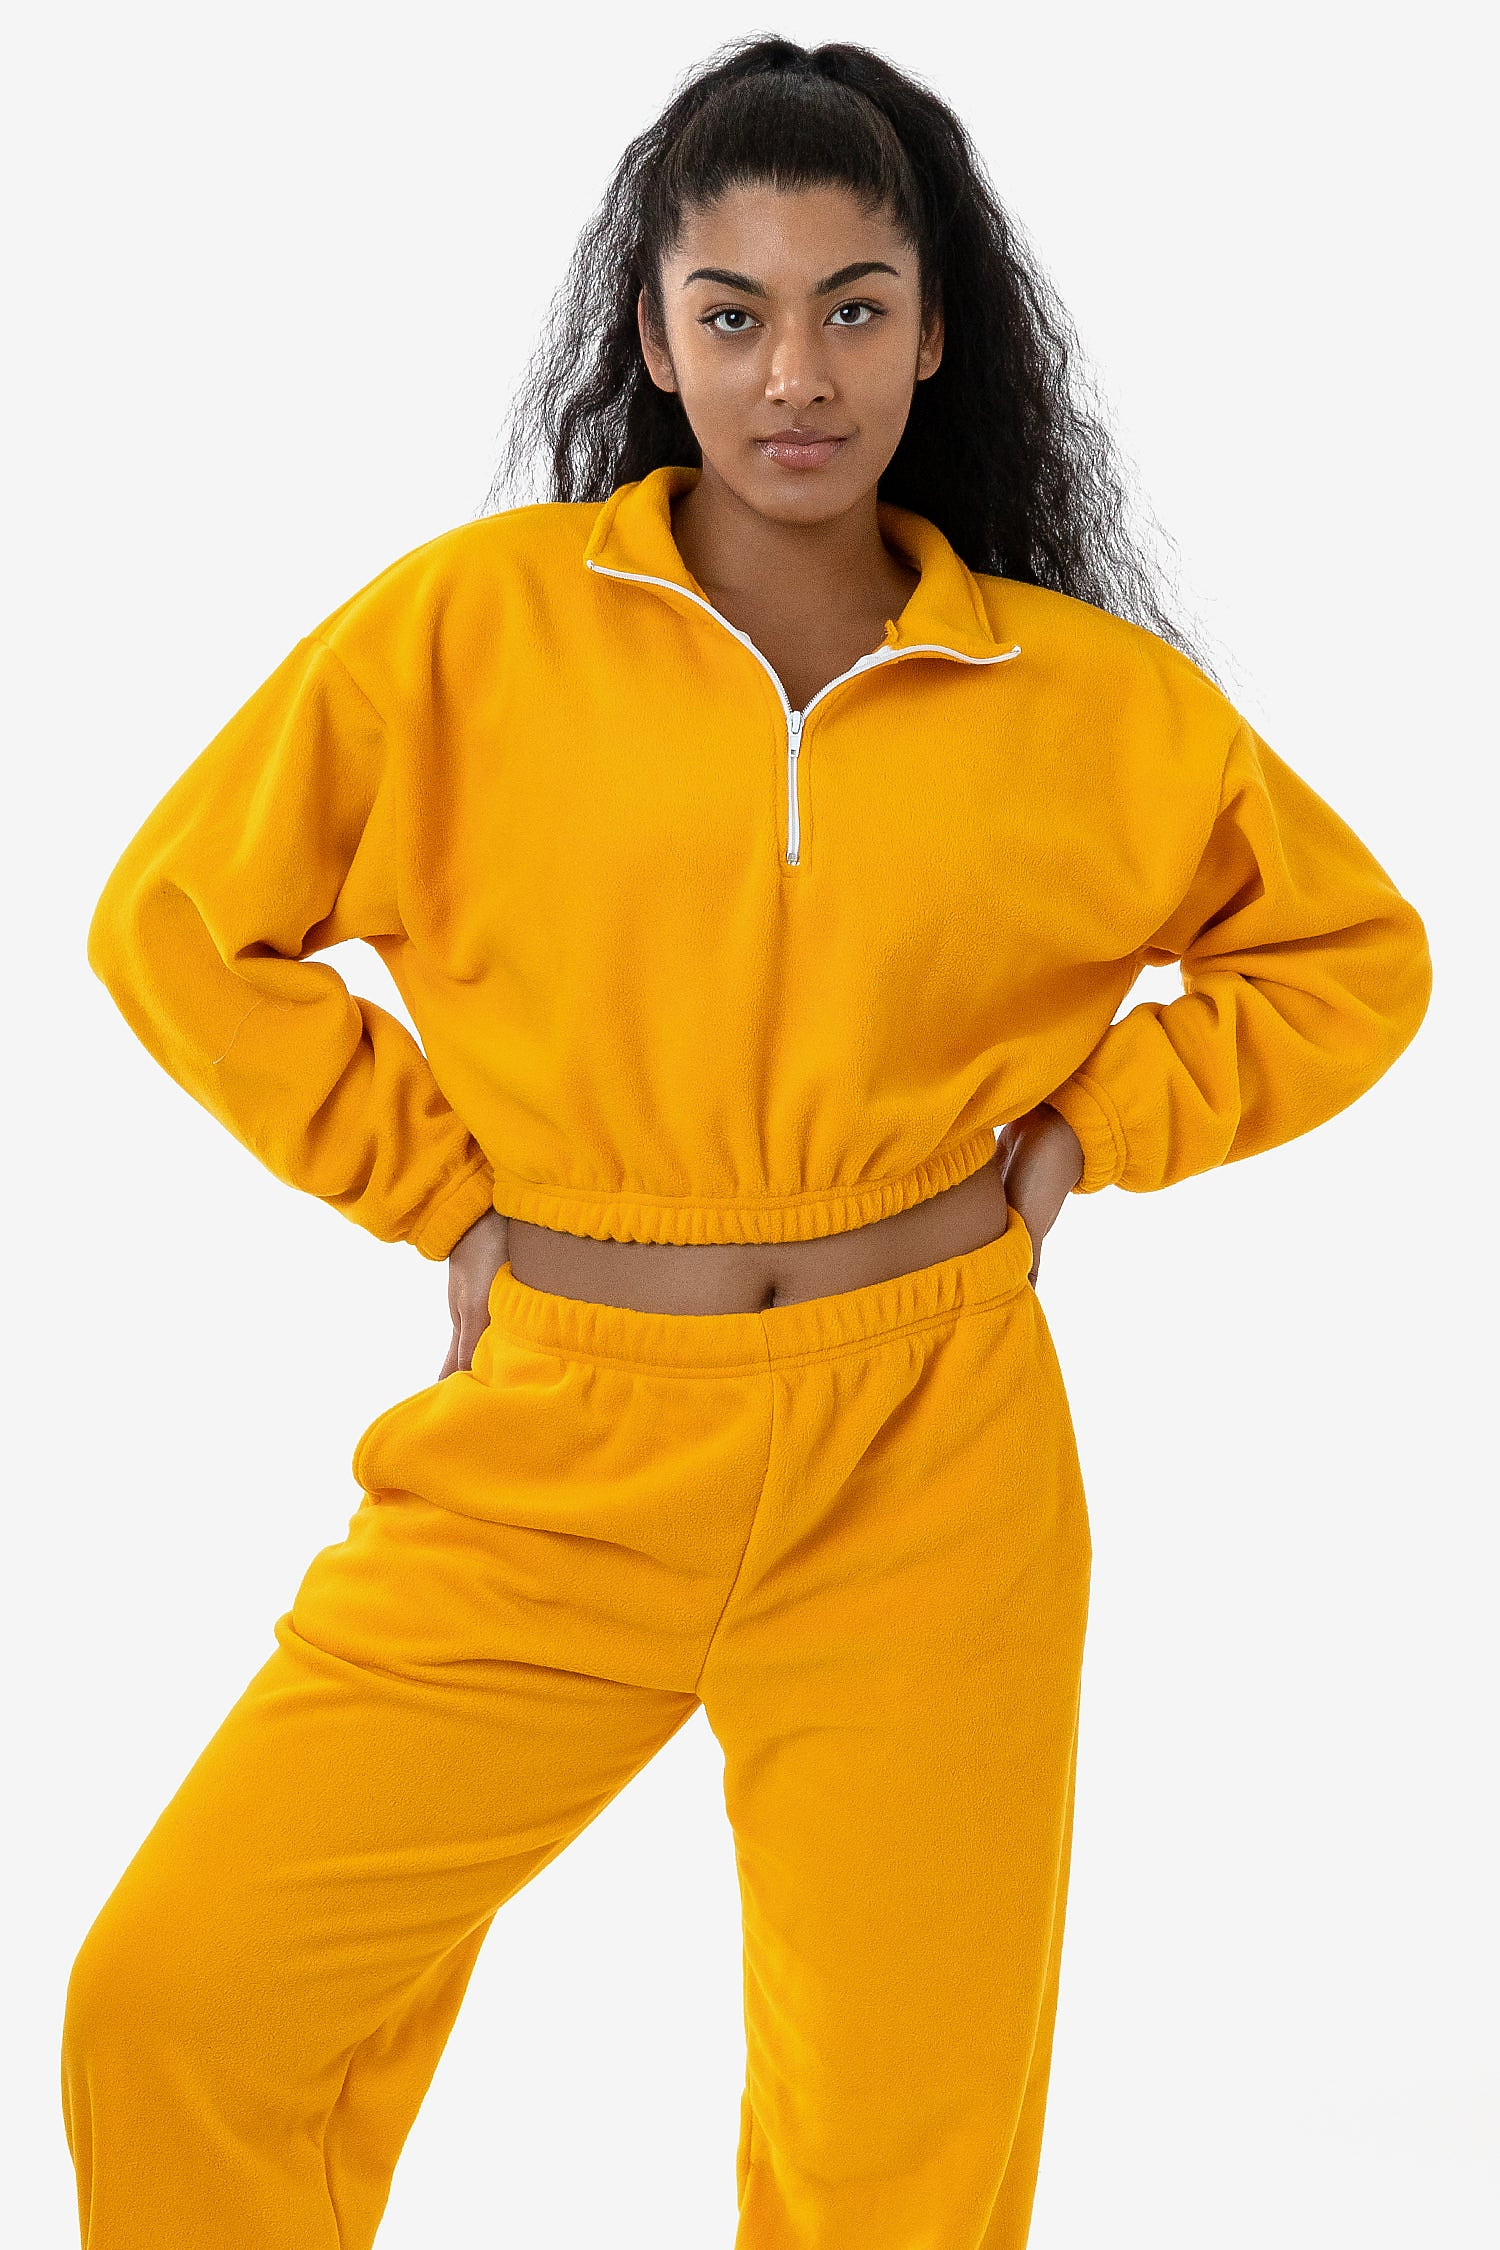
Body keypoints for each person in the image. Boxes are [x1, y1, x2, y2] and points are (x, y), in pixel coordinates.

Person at [60, 34, 1432, 2250]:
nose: (799, 373)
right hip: (556, 1449)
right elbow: (176, 927)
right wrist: (441, 1192)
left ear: (935, 331)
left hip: (931, 1454)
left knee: (899, 2154)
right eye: (735, 311)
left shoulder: (1082, 699)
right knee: (187, 2002)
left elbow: (1351, 957)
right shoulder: (472, 630)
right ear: (654, 337)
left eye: (856, 306)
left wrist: (1090, 1133)